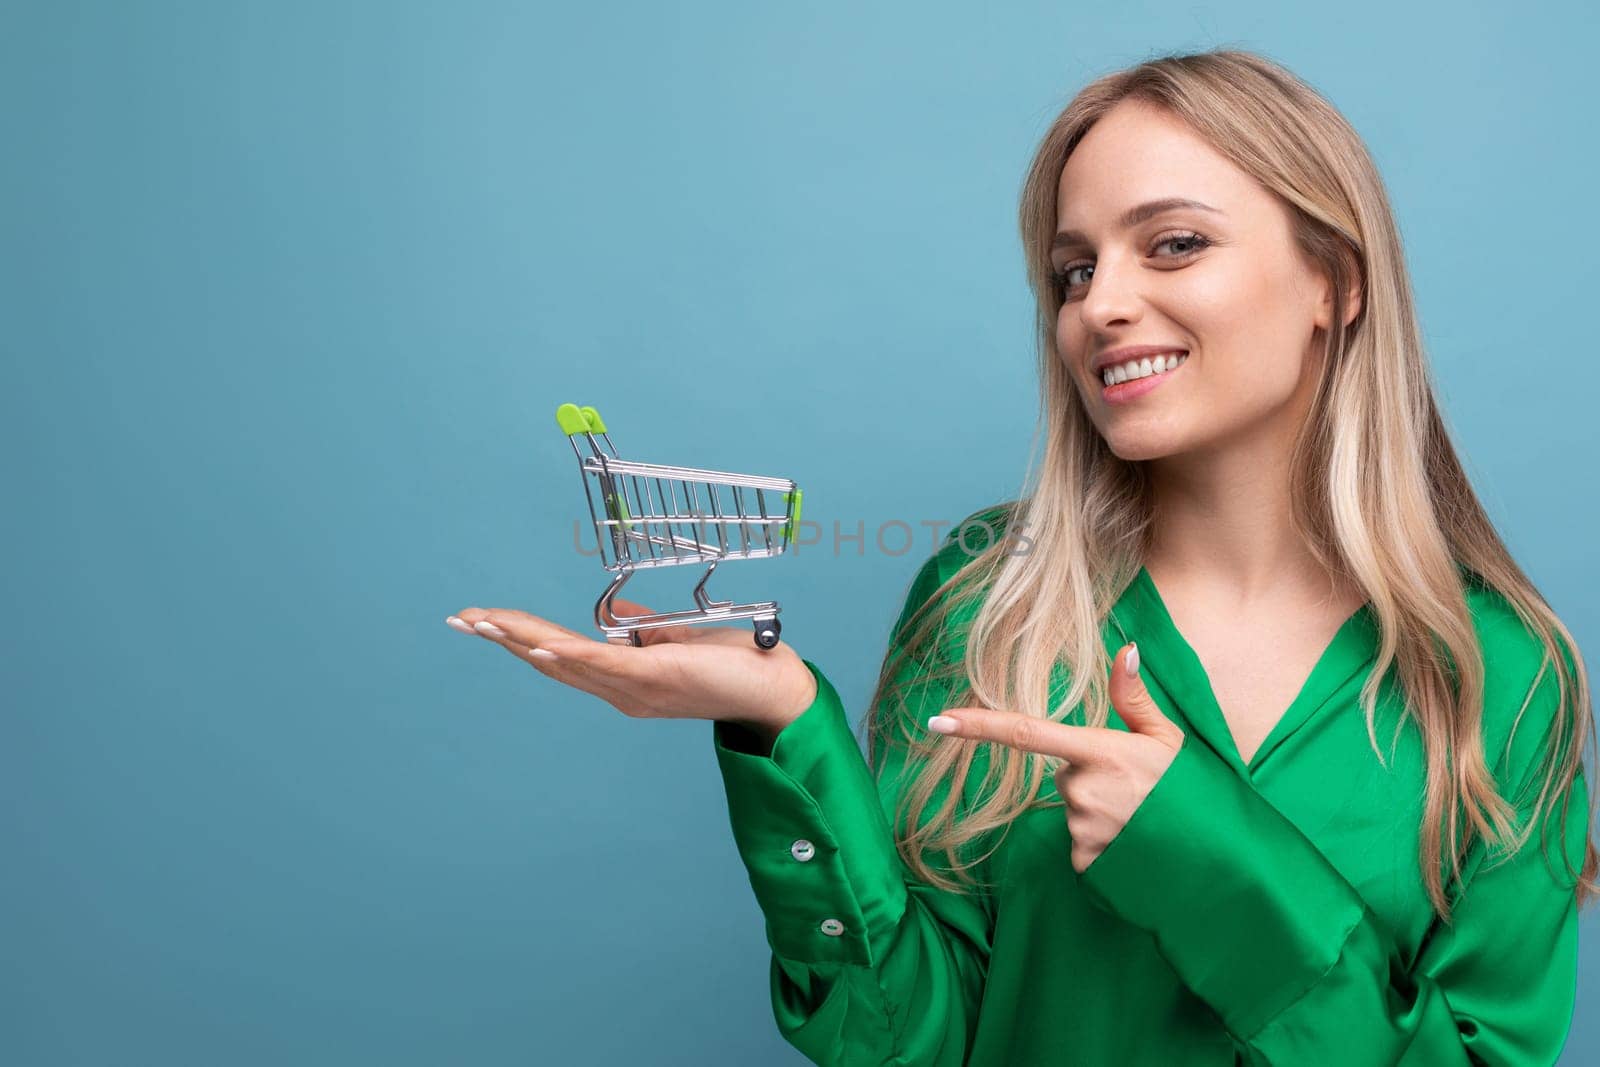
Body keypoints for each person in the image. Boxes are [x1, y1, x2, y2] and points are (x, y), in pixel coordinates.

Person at [447, 48, 1597, 1065]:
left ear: (1333, 284)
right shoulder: (983, 601)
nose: (1101, 305)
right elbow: (904, 1039)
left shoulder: (1503, 678)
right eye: (1073, 270)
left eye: (1175, 244)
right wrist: (783, 719)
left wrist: (1203, 858)